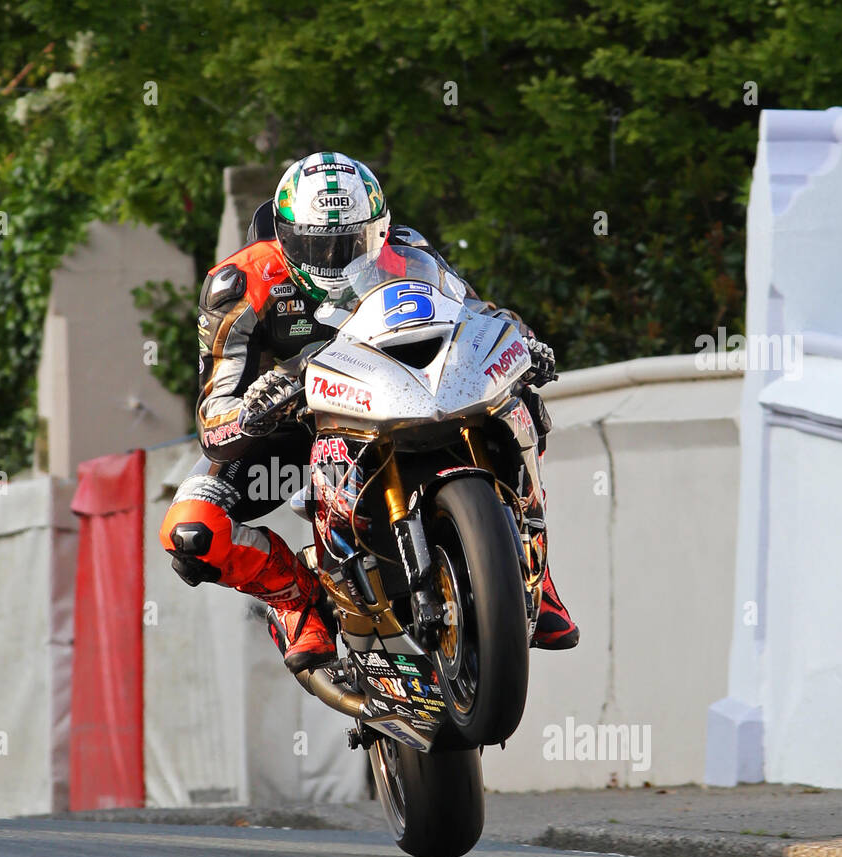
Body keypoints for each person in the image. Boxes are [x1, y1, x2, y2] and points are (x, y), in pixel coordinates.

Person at [158, 151, 579, 674]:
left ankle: (533, 561)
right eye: (317, 245)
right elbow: (212, 417)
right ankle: (296, 599)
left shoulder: (409, 253)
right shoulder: (239, 286)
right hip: (290, 431)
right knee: (192, 532)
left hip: (401, 399)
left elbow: (473, 313)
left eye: (350, 242)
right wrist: (252, 409)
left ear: (378, 230)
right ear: (285, 236)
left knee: (521, 403)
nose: (335, 259)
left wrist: (524, 342)